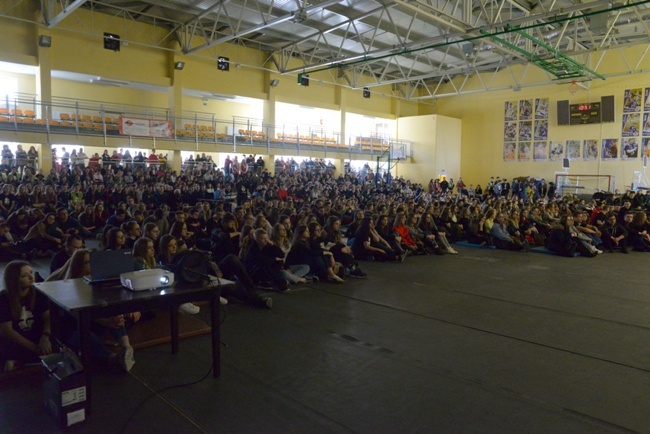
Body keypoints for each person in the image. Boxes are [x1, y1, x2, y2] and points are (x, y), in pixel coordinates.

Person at [47, 250, 134, 372]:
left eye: (91, 263)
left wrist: (112, 318)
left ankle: (127, 348)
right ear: (78, 265)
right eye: (86, 263)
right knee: (86, 336)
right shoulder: (67, 286)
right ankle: (114, 359)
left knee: (116, 317)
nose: (90, 266)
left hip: (94, 322)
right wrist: (105, 321)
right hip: (73, 328)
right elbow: (76, 314)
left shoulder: (95, 280)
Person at [0, 260, 52, 372]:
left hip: (35, 333)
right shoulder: (4, 298)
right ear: (14, 280)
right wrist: (35, 348)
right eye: (24, 275)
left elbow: (48, 317)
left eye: (31, 272)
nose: (31, 277)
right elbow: (7, 331)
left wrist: (45, 336)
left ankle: (20, 363)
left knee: (58, 336)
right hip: (17, 338)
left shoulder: (38, 293)